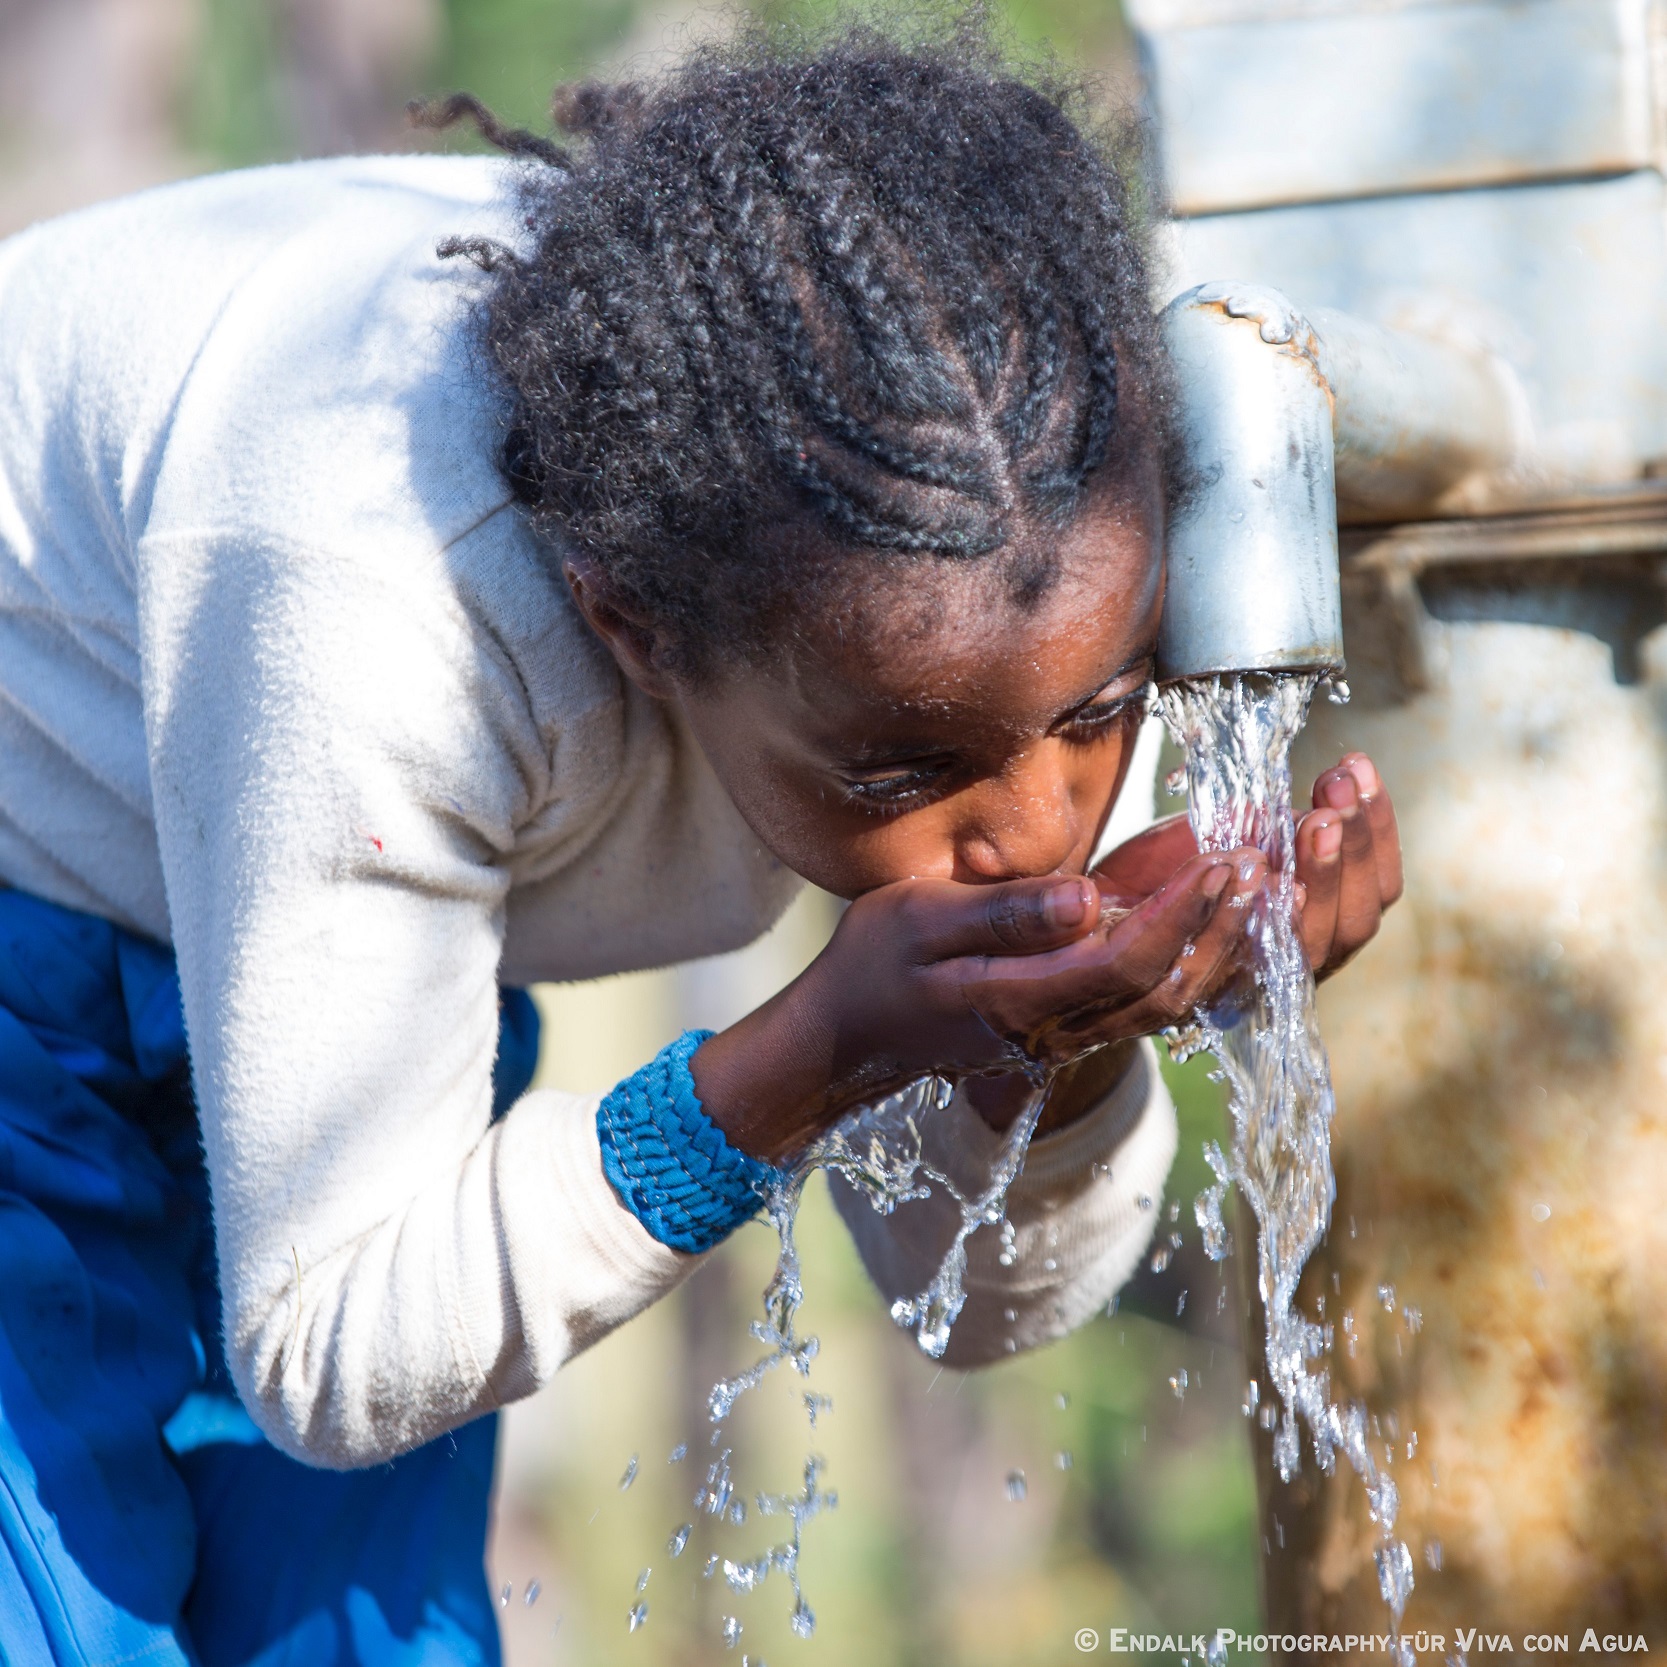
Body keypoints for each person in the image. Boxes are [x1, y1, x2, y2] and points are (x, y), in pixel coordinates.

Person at [0, 23, 1401, 1667]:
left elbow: (986, 1310)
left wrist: (1061, 1043)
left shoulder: (1032, 534)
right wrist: (813, 1052)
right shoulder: (383, 594)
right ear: (631, 626)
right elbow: (333, 1346)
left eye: (1099, 718)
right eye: (904, 767)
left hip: (312, 919)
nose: (1039, 832)